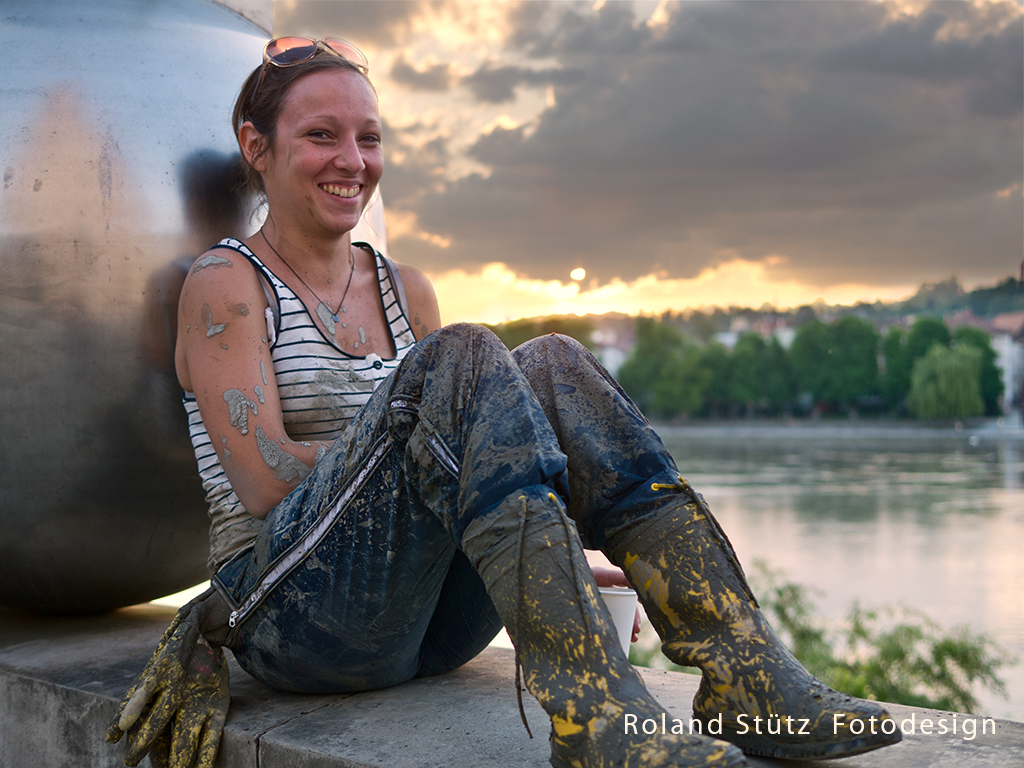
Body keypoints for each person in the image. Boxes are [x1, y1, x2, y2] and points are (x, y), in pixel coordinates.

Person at [108, 38, 901, 768]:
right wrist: (433, 448)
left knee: (553, 364)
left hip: (428, 627)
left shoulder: (402, 288)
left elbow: (460, 452)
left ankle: (745, 674)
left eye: (370, 138)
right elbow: (266, 481)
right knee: (465, 358)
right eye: (322, 135)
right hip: (294, 620)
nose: (352, 160)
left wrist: (553, 532)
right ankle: (598, 723)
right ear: (258, 146)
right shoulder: (227, 284)